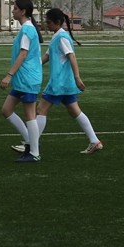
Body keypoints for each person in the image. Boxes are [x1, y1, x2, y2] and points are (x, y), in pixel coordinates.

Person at [32, 8, 103, 155]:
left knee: (41, 110)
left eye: (49, 22)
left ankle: (30, 143)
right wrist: (32, 66)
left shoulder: (62, 37)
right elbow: (47, 56)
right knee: (75, 111)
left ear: (58, 22)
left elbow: (71, 57)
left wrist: (77, 78)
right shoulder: (57, 36)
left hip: (59, 83)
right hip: (64, 83)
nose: (47, 25)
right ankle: (94, 141)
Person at [1, 0, 44, 163]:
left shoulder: (27, 30)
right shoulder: (27, 29)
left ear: (23, 11)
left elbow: (23, 54)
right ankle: (30, 142)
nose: (13, 11)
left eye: (15, 8)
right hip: (23, 79)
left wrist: (9, 75)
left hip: (27, 78)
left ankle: (34, 152)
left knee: (30, 115)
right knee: (6, 110)